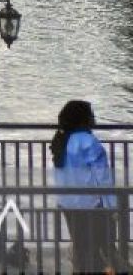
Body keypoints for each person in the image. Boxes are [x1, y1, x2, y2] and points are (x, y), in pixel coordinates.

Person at [52, 99, 119, 274]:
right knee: (99, 248)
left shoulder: (61, 140)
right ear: (84, 119)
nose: (93, 119)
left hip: (67, 203)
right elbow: (102, 178)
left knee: (81, 245)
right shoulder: (89, 142)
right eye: (91, 115)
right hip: (89, 204)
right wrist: (112, 208)